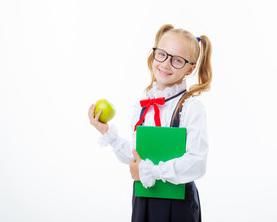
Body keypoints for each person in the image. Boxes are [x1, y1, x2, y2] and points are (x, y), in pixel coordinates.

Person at [88, 24, 212, 222]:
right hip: (144, 198)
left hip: (177, 203)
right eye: (162, 54)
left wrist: (151, 171)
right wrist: (107, 133)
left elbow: (197, 163)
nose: (166, 64)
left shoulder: (191, 108)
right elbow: (137, 156)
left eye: (177, 60)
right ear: (154, 55)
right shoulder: (143, 105)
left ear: (190, 68)